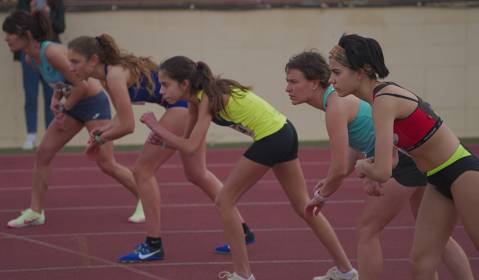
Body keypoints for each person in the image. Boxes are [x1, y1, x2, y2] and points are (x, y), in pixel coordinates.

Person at [140, 56, 358, 280]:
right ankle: (346, 272)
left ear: (184, 84)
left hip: (272, 137)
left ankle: (243, 274)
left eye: (165, 85)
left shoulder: (207, 97)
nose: (161, 92)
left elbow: (191, 147)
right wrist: (163, 137)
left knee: (224, 200)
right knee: (304, 206)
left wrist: (156, 126)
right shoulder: (197, 101)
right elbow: (186, 142)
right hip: (284, 131)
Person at [285, 50, 473, 280]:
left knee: (368, 230)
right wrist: (337, 178)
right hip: (409, 158)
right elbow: (353, 151)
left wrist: (322, 195)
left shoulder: (336, 106)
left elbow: (340, 165)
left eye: (293, 81)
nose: (287, 88)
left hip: (401, 160)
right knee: (437, 240)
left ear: (314, 83)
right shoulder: (338, 102)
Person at [66, 34, 255, 262]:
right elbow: (119, 118)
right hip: (187, 106)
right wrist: (101, 133)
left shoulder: (114, 76)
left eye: (75, 61)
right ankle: (242, 231)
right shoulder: (108, 78)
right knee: (197, 173)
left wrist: (101, 138)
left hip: (182, 108)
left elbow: (127, 126)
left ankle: (153, 244)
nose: (71, 67)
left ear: (93, 60)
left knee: (142, 171)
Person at [3, 10, 140, 227]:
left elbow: (82, 84)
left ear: (26, 34)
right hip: (73, 103)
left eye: (9, 33)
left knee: (106, 162)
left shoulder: (52, 53)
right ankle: (36, 212)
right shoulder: (30, 58)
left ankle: (144, 197)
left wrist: (64, 106)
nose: (5, 38)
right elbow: (61, 82)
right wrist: (55, 100)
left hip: (92, 102)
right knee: (44, 152)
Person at [14, 0, 65, 150]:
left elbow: (61, 27)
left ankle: (50, 135)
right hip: (29, 51)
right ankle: (31, 135)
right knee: (30, 94)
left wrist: (47, 15)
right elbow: (17, 27)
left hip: (49, 50)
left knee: (52, 94)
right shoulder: (24, 2)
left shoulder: (56, 3)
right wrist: (31, 14)